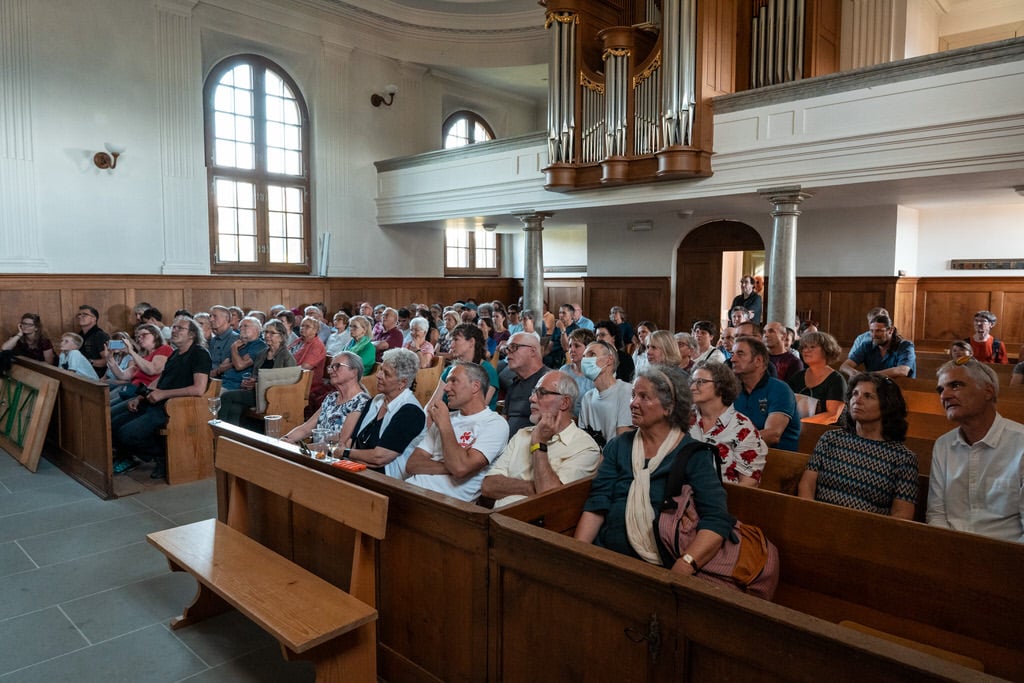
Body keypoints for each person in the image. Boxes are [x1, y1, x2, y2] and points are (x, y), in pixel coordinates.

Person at [574, 365, 737, 575]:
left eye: (644, 397)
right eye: (633, 395)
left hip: (662, 567)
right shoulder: (619, 446)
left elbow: (716, 519)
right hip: (607, 555)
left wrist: (682, 568)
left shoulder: (693, 454)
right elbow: (597, 504)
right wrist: (577, 556)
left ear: (669, 407)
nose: (633, 403)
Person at [927, 358, 1024, 542]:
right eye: (941, 390)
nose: (944, 396)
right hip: (950, 548)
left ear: (988, 391)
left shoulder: (1020, 443)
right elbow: (936, 515)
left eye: (955, 386)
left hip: (1007, 552)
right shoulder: (943, 445)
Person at [799, 373, 918, 519]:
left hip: (867, 530)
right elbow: (807, 485)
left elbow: (902, 513)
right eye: (855, 394)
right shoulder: (830, 439)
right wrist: (810, 517)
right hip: (818, 520)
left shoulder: (903, 459)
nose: (857, 400)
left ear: (887, 405)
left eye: (868, 396)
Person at [111, 316, 211, 480]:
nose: (174, 330)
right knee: (114, 424)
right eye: (174, 327)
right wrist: (140, 397)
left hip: (176, 406)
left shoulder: (199, 354)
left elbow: (198, 389)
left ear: (192, 334)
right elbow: (161, 379)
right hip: (156, 401)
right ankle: (136, 456)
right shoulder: (175, 353)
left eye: (180, 328)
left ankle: (162, 456)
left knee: (127, 433)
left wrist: (164, 394)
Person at [483, 370, 601, 508]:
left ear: (564, 403)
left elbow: (551, 499)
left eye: (542, 393)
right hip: (498, 517)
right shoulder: (522, 434)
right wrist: (534, 487)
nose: (532, 398)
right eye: (534, 392)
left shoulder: (585, 447)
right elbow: (488, 486)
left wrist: (539, 444)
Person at [405, 362, 510, 502]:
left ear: (475, 386)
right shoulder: (446, 417)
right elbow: (412, 464)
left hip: (443, 504)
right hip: (410, 490)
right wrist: (450, 465)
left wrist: (445, 425)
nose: (446, 388)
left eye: (454, 381)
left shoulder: (495, 424)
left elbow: (460, 468)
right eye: (447, 381)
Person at [345, 348, 426, 479]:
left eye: (386, 374)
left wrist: (345, 453)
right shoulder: (376, 401)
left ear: (402, 383)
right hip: (358, 469)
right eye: (381, 369)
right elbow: (352, 440)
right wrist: (349, 456)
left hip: (387, 479)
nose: (378, 375)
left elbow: (379, 458)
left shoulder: (411, 412)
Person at [688, 361, 768, 486]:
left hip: (723, 495)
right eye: (692, 382)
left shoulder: (742, 428)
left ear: (721, 387)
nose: (692, 387)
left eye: (701, 382)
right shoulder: (684, 419)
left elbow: (748, 482)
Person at [218, 319, 297, 427]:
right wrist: (250, 382)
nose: (267, 335)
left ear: (281, 337)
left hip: (272, 395)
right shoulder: (262, 354)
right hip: (257, 392)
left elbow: (290, 382)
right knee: (235, 408)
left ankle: (219, 429)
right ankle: (230, 435)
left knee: (227, 396)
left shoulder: (286, 356)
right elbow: (255, 375)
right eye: (266, 332)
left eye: (272, 333)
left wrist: (257, 383)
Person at [281, 350, 370, 445]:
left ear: (354, 372)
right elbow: (306, 429)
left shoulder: (361, 401)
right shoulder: (332, 398)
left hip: (333, 453)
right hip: (315, 451)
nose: (331, 371)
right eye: (331, 367)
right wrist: (284, 440)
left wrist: (302, 448)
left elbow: (342, 441)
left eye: (337, 366)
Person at [731, 336, 801, 451]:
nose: (732, 359)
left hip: (776, 458)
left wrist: (731, 444)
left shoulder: (779, 389)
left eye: (740, 354)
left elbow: (772, 435)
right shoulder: (733, 390)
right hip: (739, 454)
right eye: (732, 354)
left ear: (758, 360)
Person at [431, 323, 499, 412]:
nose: (451, 346)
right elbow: (432, 405)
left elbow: (477, 411)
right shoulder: (450, 370)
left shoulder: (488, 371)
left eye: (456, 340)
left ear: (471, 342)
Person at [578, 341, 633, 446]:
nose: (585, 360)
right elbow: (583, 440)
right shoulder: (587, 398)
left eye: (592, 354)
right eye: (584, 356)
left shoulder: (626, 392)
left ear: (609, 360)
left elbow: (623, 443)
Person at [105, 323, 173, 404]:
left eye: (143, 335)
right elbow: (121, 375)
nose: (140, 338)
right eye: (138, 336)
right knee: (106, 405)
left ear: (155, 335)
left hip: (144, 394)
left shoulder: (164, 348)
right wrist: (110, 358)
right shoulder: (143, 356)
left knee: (109, 409)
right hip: (131, 390)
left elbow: (152, 370)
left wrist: (131, 352)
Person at [788, 331, 847, 424]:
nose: (806, 350)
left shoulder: (836, 380)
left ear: (826, 350)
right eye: (804, 347)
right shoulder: (798, 376)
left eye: (812, 347)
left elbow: (832, 416)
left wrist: (799, 424)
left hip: (828, 429)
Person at [502, 332, 550, 435]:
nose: (508, 352)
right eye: (507, 348)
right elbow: (505, 418)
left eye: (513, 347)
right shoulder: (514, 385)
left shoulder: (549, 382)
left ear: (532, 351)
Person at [841, 314, 916, 378]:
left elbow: (903, 370)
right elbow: (844, 366)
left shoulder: (905, 346)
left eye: (878, 331)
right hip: (873, 387)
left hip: (901, 388)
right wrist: (854, 373)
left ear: (891, 330)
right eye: (871, 331)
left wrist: (869, 376)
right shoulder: (867, 346)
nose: (874, 335)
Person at [289, 315, 328, 410]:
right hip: (291, 375)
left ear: (315, 330)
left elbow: (305, 367)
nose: (302, 328)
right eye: (302, 325)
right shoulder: (298, 341)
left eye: (307, 326)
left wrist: (284, 371)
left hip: (306, 381)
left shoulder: (317, 346)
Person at [221, 316, 267, 391]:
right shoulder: (238, 344)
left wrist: (234, 349)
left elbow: (239, 366)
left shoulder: (260, 345)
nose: (241, 329)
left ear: (257, 329)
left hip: (237, 386)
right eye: (240, 327)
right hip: (223, 382)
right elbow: (222, 368)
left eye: (245, 326)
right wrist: (236, 360)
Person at [559, 328, 597, 415]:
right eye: (570, 346)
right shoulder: (564, 370)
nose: (571, 350)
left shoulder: (595, 374)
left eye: (576, 346)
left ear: (588, 349)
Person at [76, 305, 109, 377]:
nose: (80, 317)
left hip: (96, 375)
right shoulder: (79, 336)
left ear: (94, 318)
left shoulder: (99, 335)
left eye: (84, 315)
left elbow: (107, 360)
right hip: (81, 373)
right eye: (79, 315)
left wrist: (87, 362)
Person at [207, 305, 239, 380]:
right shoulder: (213, 340)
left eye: (215, 316)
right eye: (210, 316)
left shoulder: (237, 339)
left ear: (226, 318)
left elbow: (231, 365)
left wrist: (216, 372)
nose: (211, 319)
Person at [544, 303, 577, 368]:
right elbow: (550, 346)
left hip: (564, 357)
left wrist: (562, 329)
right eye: (560, 313)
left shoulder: (575, 329)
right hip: (552, 356)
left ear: (571, 315)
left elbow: (566, 348)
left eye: (564, 313)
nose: (561, 315)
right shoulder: (557, 328)